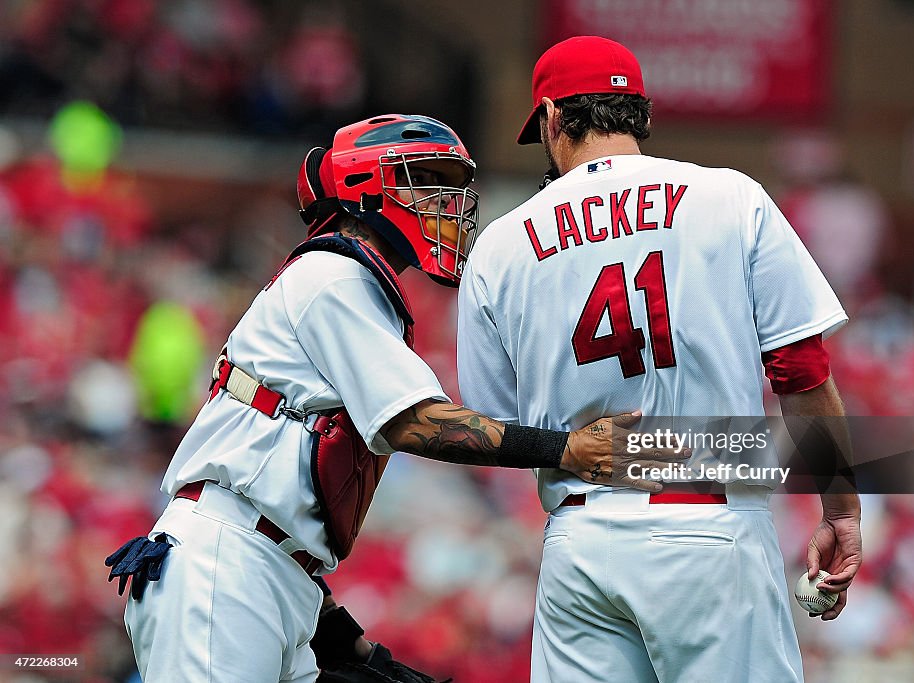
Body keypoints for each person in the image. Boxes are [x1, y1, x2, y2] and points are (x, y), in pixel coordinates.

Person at [105, 114, 669, 683]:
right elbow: (418, 424)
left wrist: (348, 640)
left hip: (264, 568)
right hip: (223, 565)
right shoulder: (333, 275)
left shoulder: (353, 286)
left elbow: (283, 509)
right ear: (364, 187)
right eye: (426, 179)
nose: (446, 200)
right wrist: (568, 448)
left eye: (451, 183)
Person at [456, 37, 864, 683]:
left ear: (553, 117)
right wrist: (840, 508)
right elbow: (801, 371)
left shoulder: (501, 243)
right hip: (709, 519)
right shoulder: (731, 198)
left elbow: (493, 428)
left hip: (579, 539)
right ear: (641, 113)